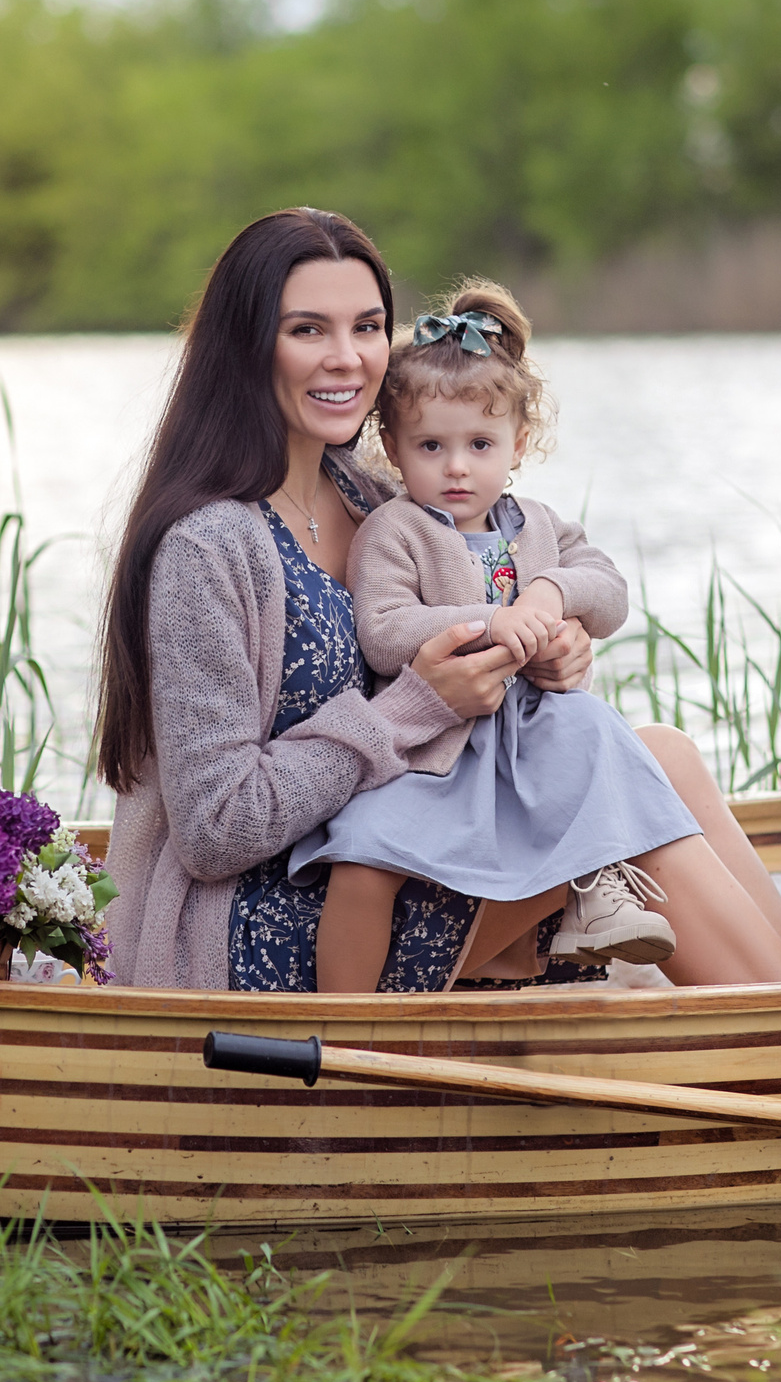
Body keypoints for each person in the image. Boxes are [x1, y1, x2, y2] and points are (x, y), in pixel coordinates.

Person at [97, 208, 781, 991]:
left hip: (399, 842)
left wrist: (555, 645)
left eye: (368, 327)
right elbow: (215, 829)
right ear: (246, 345)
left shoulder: (376, 499)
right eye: (309, 330)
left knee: (664, 755)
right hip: (275, 915)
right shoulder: (209, 548)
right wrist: (416, 705)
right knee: (624, 800)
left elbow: (492, 612)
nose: (346, 358)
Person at [286, 280, 693, 991]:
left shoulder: (535, 523)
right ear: (392, 445)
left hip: (531, 735)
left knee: (600, 738)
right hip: (436, 751)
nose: (455, 467)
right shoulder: (394, 530)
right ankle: (340, 1017)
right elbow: (382, 632)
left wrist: (550, 594)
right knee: (362, 859)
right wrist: (487, 622)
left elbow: (609, 589)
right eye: (431, 445)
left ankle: (597, 902)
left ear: (519, 443)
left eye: (480, 444)